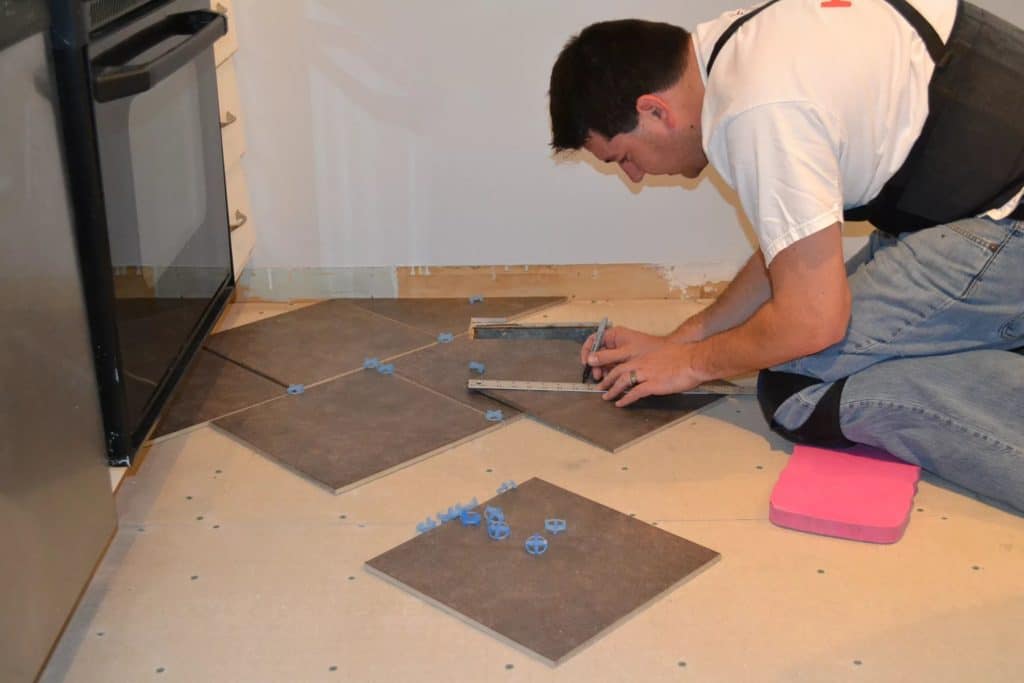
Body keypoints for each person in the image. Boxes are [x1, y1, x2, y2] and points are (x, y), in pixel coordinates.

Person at [548, 0, 1024, 510]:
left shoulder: (755, 111)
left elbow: (812, 321)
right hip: (980, 206)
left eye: (624, 157)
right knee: (805, 333)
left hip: (1003, 227)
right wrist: (683, 339)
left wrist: (691, 365)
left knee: (795, 383)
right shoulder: (751, 47)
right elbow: (791, 245)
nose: (635, 175)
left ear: (655, 111)